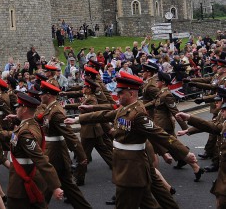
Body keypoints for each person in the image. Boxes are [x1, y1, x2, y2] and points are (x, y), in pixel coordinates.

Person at [65, 72, 197, 209]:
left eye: (121, 93)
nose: (118, 95)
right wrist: (78, 119)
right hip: (131, 164)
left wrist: (185, 153)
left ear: (131, 93)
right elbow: (105, 114)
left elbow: (161, 135)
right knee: (150, 200)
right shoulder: (126, 108)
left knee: (126, 203)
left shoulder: (138, 114)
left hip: (131, 167)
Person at [0, 92, 64, 209]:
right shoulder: (30, 124)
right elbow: (10, 134)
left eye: (18, 107)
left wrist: (55, 186)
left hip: (22, 181)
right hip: (29, 179)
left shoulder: (26, 131)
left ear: (24, 109)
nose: (16, 110)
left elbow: (41, 159)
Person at [38, 81, 92, 209]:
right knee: (68, 186)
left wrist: (81, 155)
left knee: (46, 183)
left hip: (55, 153)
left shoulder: (55, 111)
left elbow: (69, 134)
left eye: (43, 94)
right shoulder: (50, 108)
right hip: (54, 152)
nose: (40, 96)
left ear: (49, 95)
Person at [176, 103, 226, 209]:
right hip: (223, 173)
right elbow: (211, 126)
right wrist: (189, 118)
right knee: (220, 201)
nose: (222, 112)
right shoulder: (224, 123)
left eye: (225, 110)